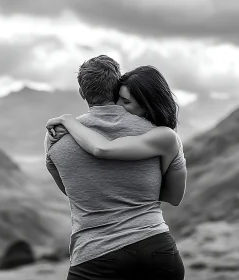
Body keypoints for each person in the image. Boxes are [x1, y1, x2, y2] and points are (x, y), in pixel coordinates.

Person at [44, 56, 186, 280]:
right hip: (157, 251)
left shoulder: (56, 137)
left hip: (95, 256)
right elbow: (173, 196)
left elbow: (73, 191)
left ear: (82, 92)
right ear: (117, 85)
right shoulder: (161, 135)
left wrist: (70, 122)